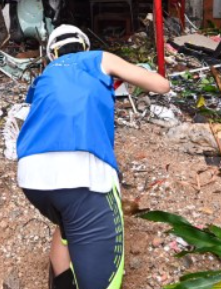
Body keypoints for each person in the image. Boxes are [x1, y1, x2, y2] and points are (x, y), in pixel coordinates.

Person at [16, 25, 171, 289]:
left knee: (67, 224)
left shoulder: (45, 76)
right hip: (84, 175)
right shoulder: (99, 58)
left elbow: (26, 116)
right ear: (84, 46)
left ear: (52, 54)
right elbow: (162, 85)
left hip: (32, 178)